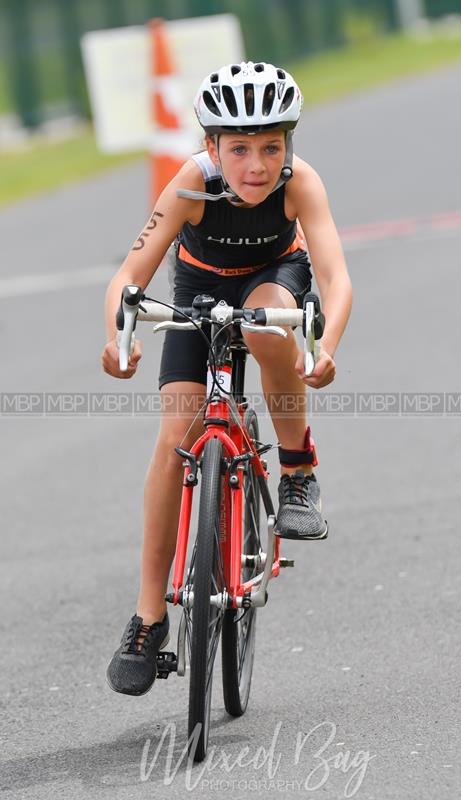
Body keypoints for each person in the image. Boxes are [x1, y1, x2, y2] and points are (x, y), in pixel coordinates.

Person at [102, 62, 352, 696]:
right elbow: (128, 276)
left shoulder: (301, 184)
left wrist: (325, 349)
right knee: (172, 440)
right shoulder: (188, 183)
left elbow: (336, 278)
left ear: (288, 146)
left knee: (270, 329)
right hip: (200, 289)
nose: (257, 165)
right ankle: (149, 616)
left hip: (275, 278)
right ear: (212, 147)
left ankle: (297, 473)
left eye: (272, 147)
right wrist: (118, 338)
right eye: (239, 148)